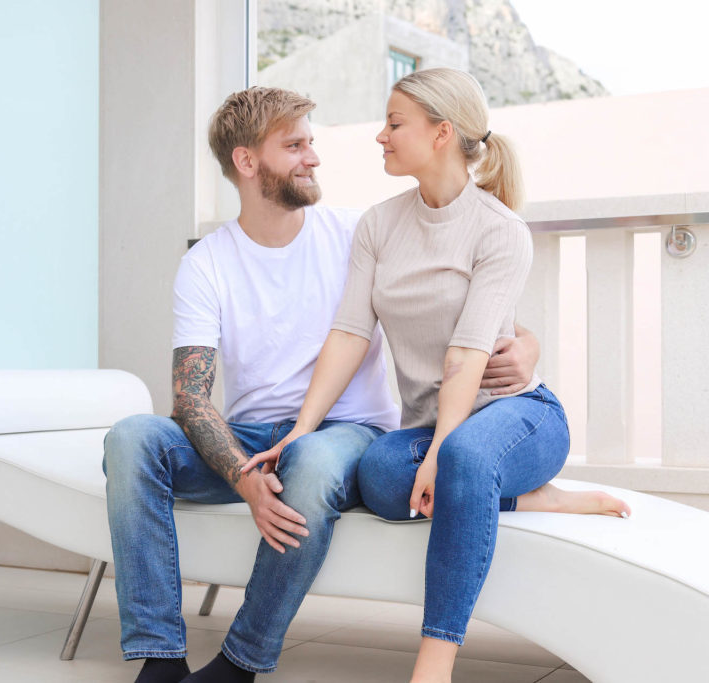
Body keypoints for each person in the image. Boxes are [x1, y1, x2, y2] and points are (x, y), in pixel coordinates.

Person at [103, 86, 538, 683]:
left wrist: (528, 345)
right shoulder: (206, 264)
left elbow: (464, 310)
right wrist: (245, 480)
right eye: (295, 146)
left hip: (347, 435)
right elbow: (190, 399)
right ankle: (159, 658)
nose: (313, 157)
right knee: (131, 438)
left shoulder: (356, 233)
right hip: (252, 440)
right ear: (246, 161)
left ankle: (239, 663)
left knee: (308, 460)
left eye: (311, 142)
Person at [243, 69, 631, 683]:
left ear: (442, 133)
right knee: (378, 472)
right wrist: (302, 428)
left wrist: (441, 451)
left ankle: (435, 663)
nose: (381, 136)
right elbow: (350, 332)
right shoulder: (379, 225)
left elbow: (467, 356)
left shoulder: (500, 230)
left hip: (518, 417)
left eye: (394, 123)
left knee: (466, 458)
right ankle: (529, 498)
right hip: (436, 426)